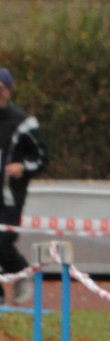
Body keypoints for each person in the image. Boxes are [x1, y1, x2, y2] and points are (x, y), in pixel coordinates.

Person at [0, 67, 47, 230]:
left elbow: (42, 157)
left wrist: (22, 167)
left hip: (8, 201)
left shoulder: (24, 123)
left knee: (4, 241)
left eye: (1, 89)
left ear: (9, 91)